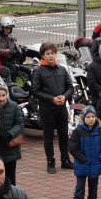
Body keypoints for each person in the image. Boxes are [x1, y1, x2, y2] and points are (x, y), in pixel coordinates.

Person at [31, 42, 74, 172]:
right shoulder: (38, 71)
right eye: (48, 54)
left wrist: (64, 97)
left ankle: (65, 159)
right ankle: (50, 161)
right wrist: (52, 99)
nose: (51, 56)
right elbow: (35, 90)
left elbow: (70, 87)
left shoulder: (62, 69)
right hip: (46, 108)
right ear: (43, 56)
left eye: (53, 53)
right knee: (48, 135)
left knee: (63, 135)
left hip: (61, 107)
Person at [68, 105, 101, 199]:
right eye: (88, 117)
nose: (91, 119)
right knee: (80, 188)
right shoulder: (78, 131)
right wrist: (82, 159)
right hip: (82, 165)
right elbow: (73, 147)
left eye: (93, 116)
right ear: (83, 118)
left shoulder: (100, 131)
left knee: (93, 189)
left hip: (95, 165)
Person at [0, 85, 24, 185]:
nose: (1, 98)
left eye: (4, 95)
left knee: (11, 176)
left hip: (11, 147)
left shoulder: (14, 106)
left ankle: (11, 196)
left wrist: (10, 133)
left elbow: (20, 124)